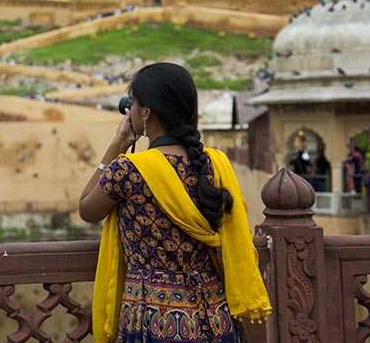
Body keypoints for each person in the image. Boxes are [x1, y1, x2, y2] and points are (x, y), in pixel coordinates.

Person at [79, 62, 270, 343]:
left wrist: (118, 143)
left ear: (146, 112)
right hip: (215, 315)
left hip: (152, 317)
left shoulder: (128, 170)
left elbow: (87, 208)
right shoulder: (215, 164)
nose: (129, 110)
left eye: (132, 104)